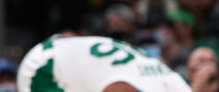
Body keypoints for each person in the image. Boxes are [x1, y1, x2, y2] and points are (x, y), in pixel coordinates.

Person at [17, 35, 191, 91]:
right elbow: (117, 85)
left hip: (70, 52)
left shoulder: (175, 82)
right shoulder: (152, 84)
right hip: (43, 66)